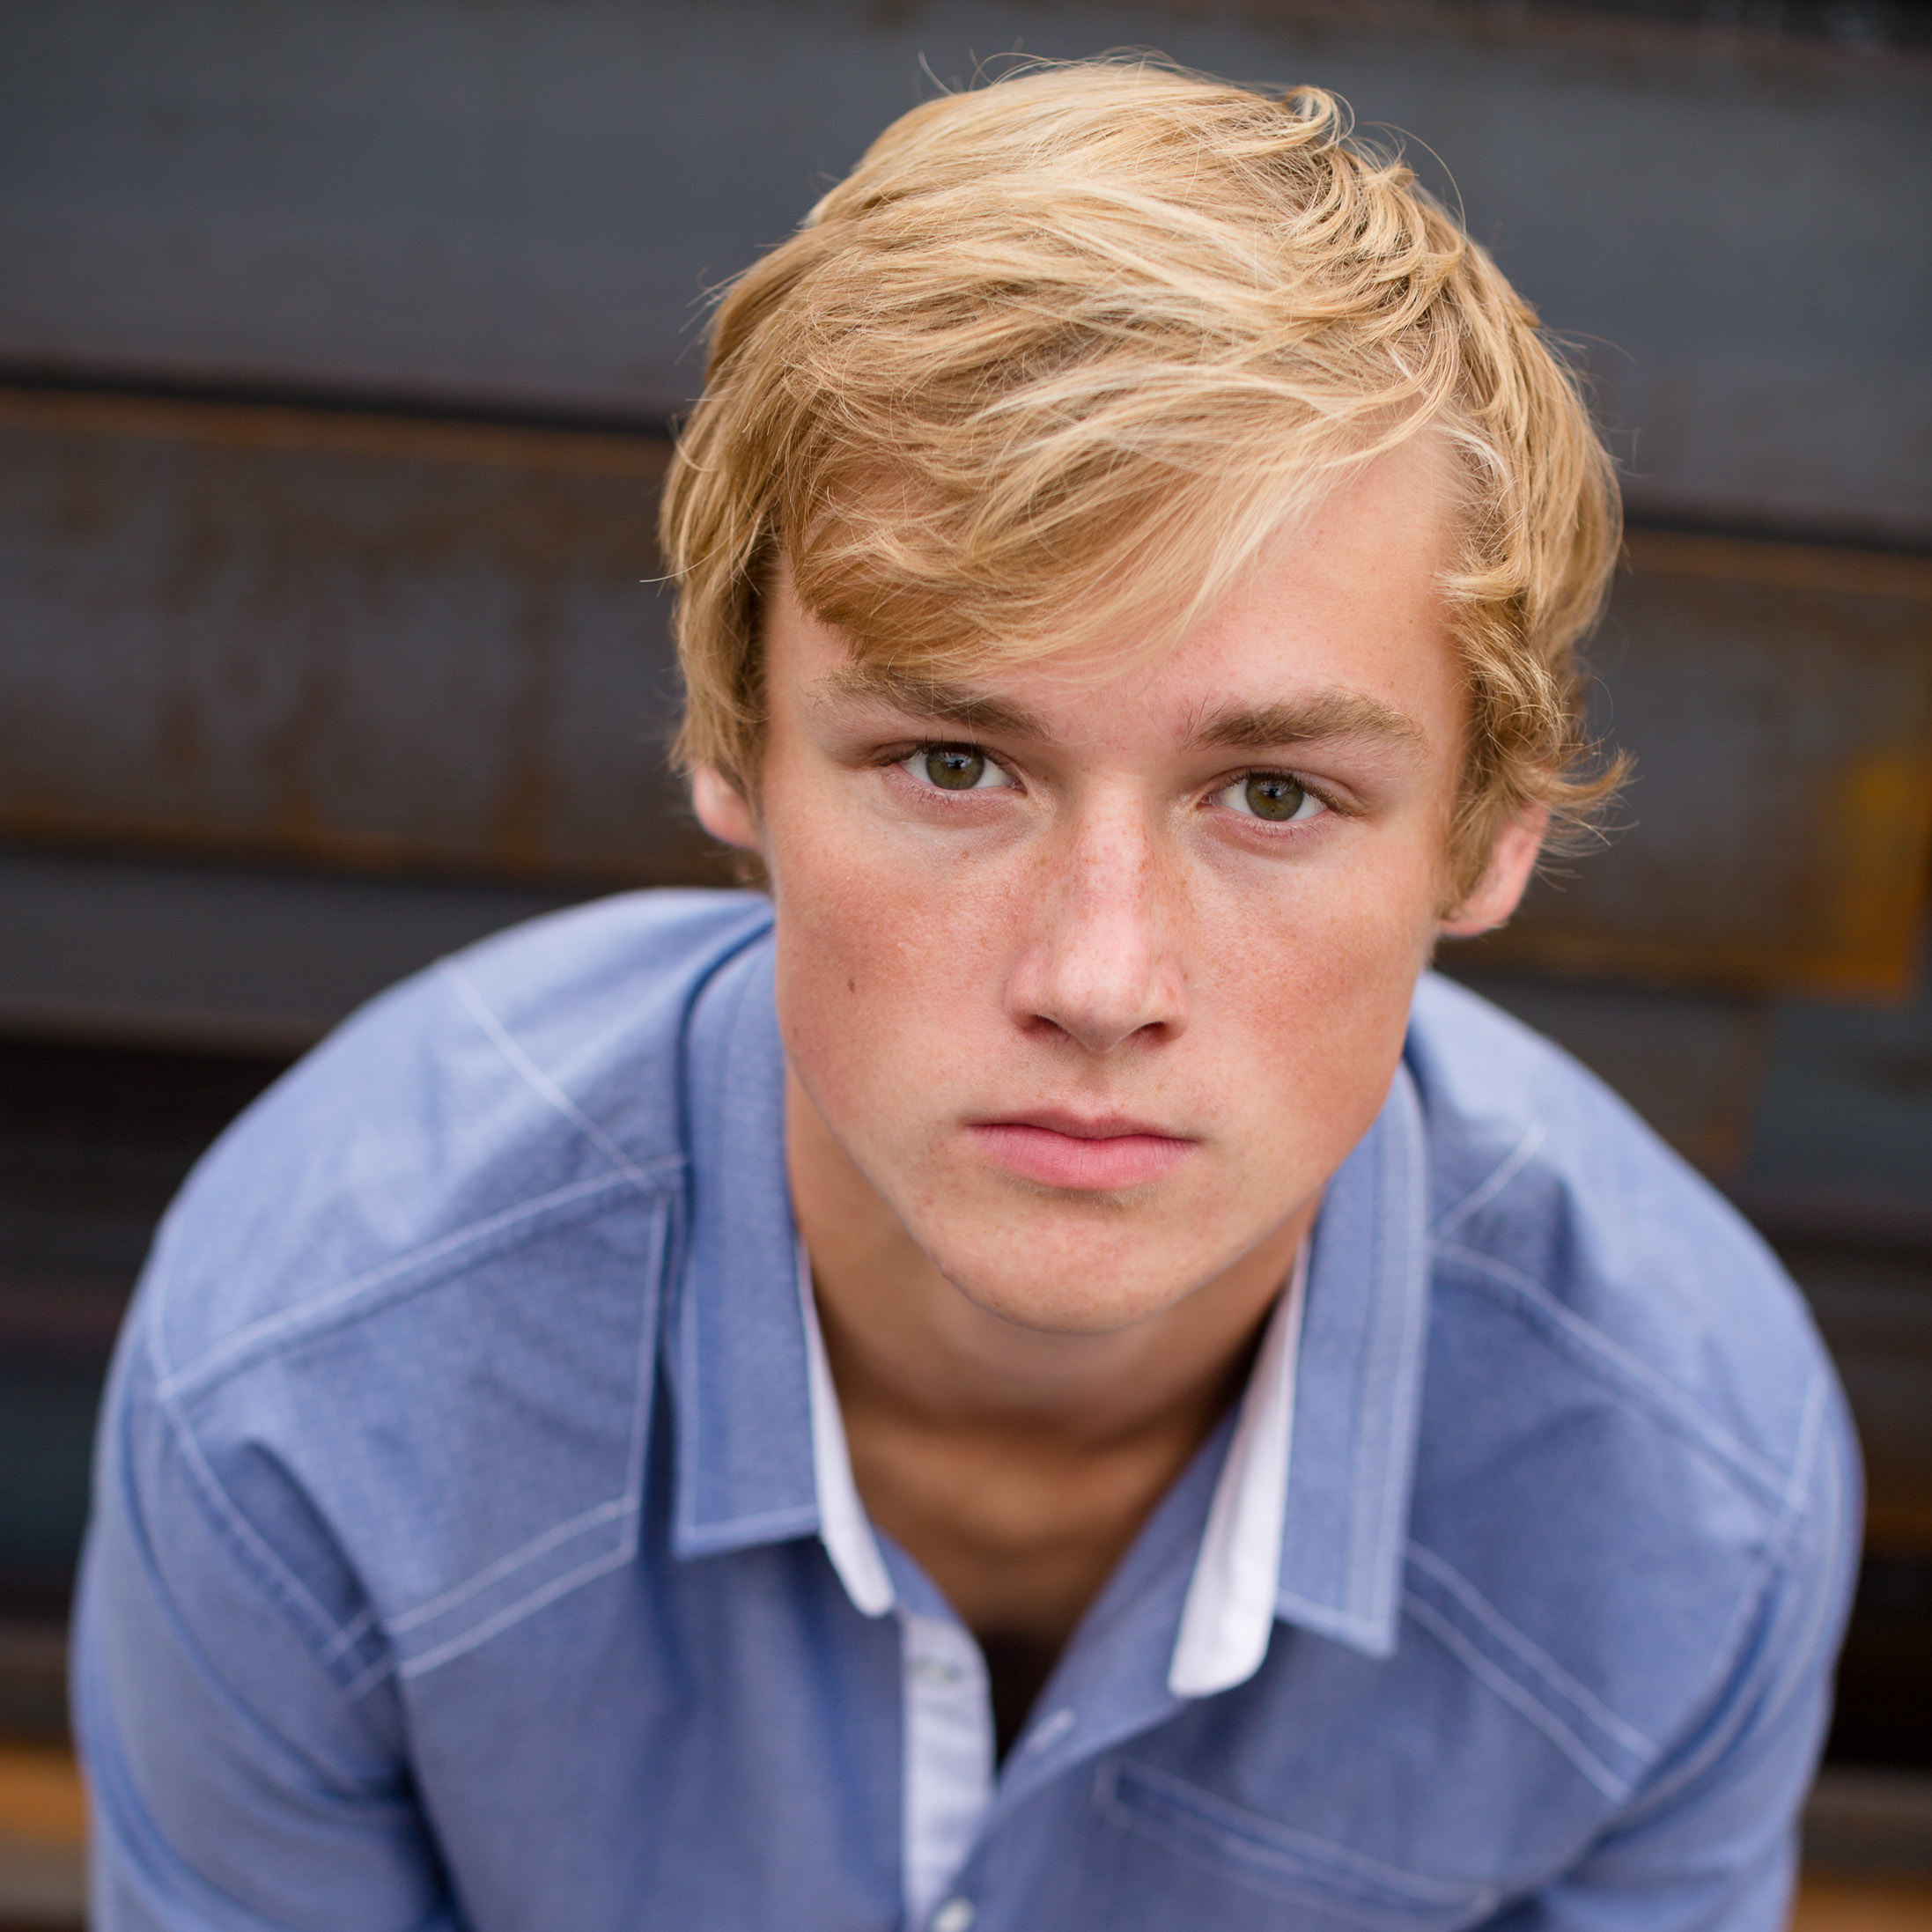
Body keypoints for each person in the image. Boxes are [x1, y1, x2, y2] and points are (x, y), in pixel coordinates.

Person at [76, 60, 1857, 1932]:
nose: (1097, 976)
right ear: (733, 750)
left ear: (1483, 837)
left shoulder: (1686, 1500)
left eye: (1269, 794)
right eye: (951, 762)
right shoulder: (310, 1381)